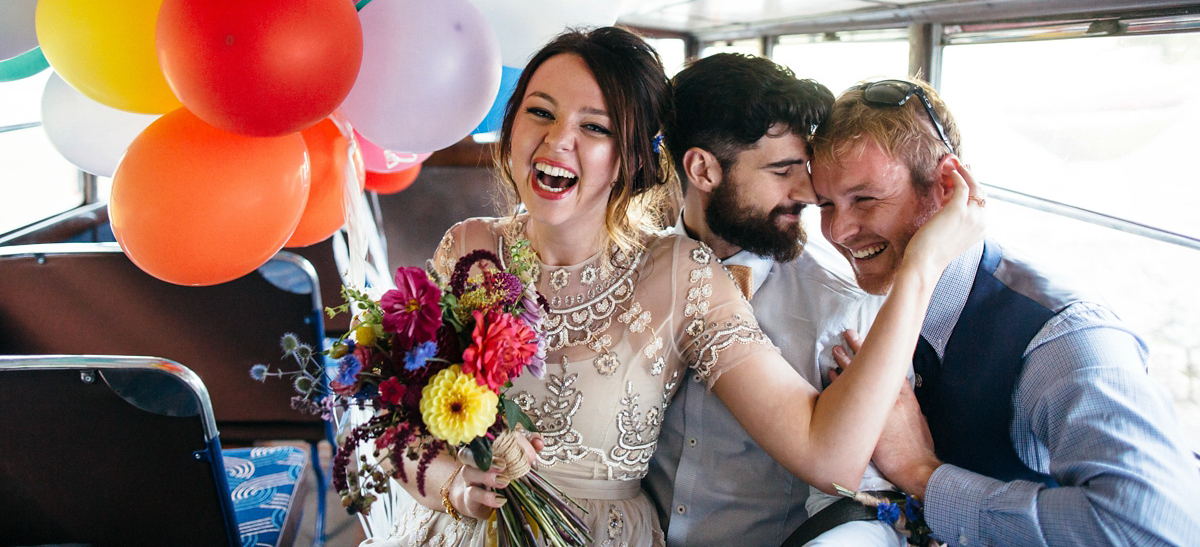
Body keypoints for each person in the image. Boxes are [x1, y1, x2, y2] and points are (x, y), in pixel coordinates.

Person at [365, 30, 984, 547]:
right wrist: (449, 482)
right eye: (541, 111)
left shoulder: (682, 273)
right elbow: (395, 420)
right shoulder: (467, 247)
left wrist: (920, 267)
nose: (558, 141)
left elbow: (828, 457)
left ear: (631, 154)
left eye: (595, 126)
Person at [807, 77, 1200, 547]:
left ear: (946, 186)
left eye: (864, 199)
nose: (838, 230)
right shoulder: (862, 300)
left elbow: (1155, 528)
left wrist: (923, 474)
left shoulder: (1062, 338)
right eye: (826, 204)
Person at [642, 53, 903, 547]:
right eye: (783, 171)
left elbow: (861, 506)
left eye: (804, 168)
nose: (807, 192)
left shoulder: (841, 311)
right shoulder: (633, 272)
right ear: (702, 169)